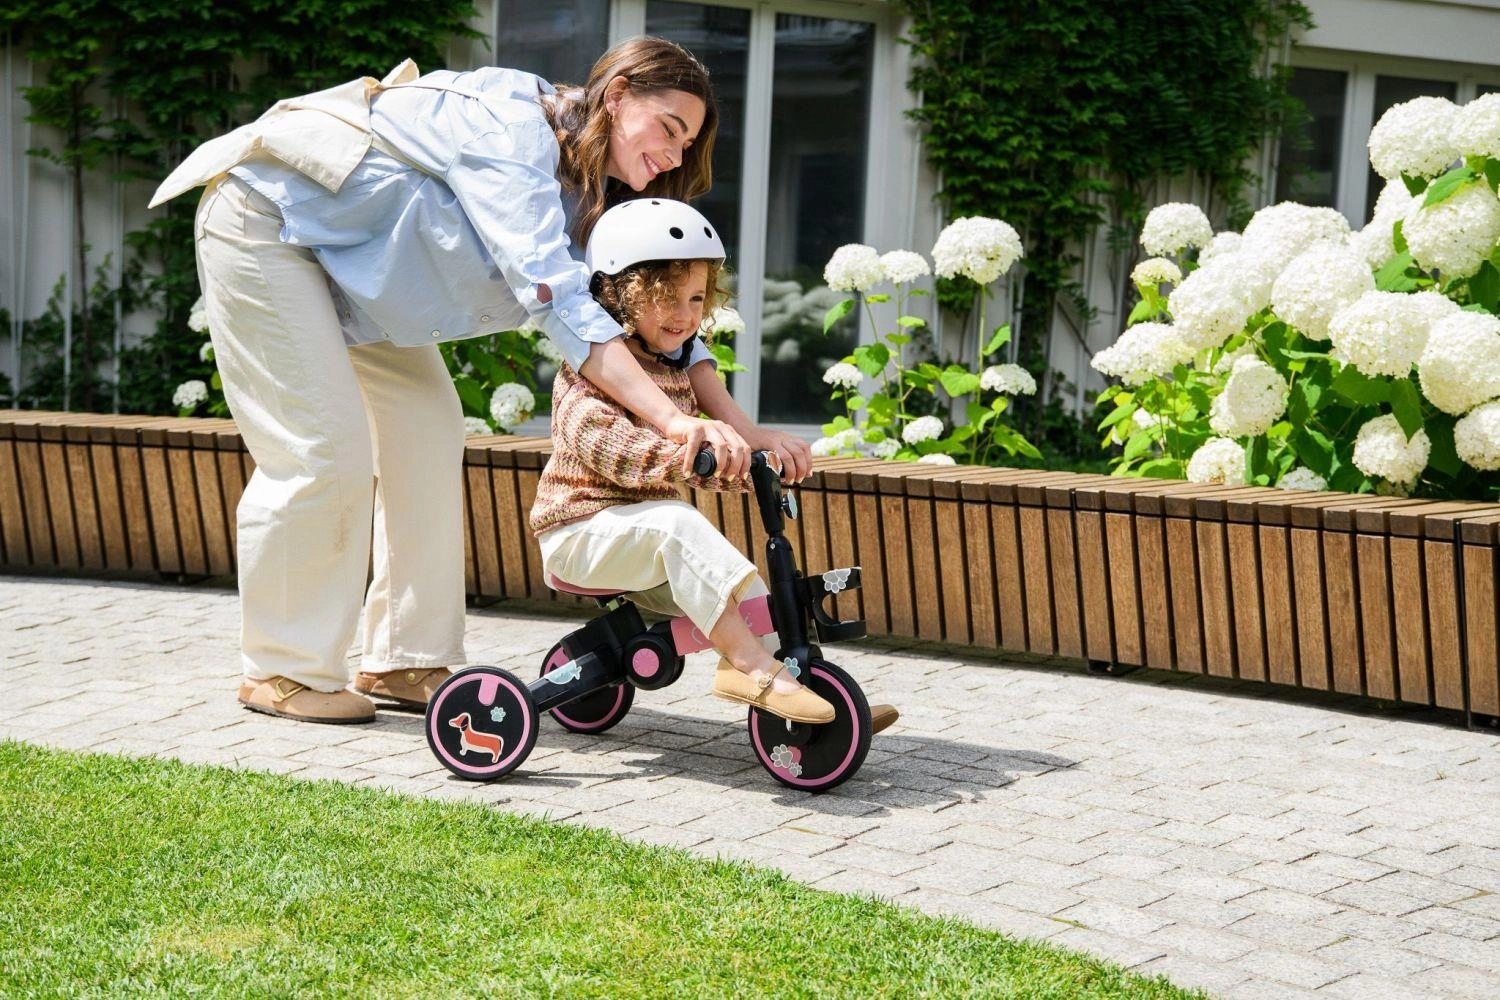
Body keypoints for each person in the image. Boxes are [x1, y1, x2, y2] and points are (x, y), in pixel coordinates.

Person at [148, 38, 812, 725]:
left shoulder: (597, 191)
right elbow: (555, 296)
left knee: (429, 432)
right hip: (271, 226)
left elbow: (650, 324)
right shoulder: (515, 134)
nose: (674, 155)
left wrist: (744, 429)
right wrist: (673, 422)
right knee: (322, 449)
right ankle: (282, 668)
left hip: (357, 272)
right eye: (668, 129)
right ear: (616, 97)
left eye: (688, 143)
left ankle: (404, 658)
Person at [533, 199, 899, 730]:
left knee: (743, 589)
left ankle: (794, 684)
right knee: (678, 525)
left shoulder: (676, 365)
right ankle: (749, 667)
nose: (686, 315)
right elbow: (621, 456)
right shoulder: (587, 375)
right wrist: (701, 462)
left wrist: (760, 461)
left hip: (639, 543)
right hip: (577, 535)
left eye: (697, 298)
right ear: (620, 294)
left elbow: (727, 441)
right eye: (667, 297)